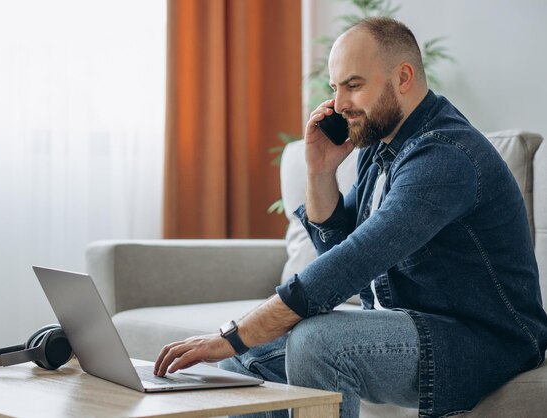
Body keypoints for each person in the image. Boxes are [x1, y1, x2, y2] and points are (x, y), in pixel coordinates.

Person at [154, 17, 547, 418]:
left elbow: (352, 263)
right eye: (335, 88)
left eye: (354, 86)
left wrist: (236, 333)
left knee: (317, 342)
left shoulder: (445, 156)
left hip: (484, 341)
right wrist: (320, 172)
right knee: (239, 365)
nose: (339, 104)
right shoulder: (380, 149)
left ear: (403, 77)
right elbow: (337, 249)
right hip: (414, 327)